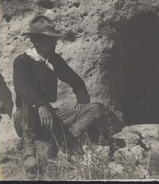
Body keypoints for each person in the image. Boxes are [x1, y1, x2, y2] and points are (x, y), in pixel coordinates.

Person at [13, 15, 124, 174]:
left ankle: (67, 139)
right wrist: (40, 105)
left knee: (96, 109)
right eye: (50, 40)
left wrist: (82, 101)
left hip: (51, 117)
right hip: (28, 118)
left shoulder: (55, 60)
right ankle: (29, 151)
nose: (55, 42)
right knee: (25, 102)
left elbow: (76, 82)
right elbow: (21, 88)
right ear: (37, 41)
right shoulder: (22, 61)